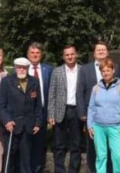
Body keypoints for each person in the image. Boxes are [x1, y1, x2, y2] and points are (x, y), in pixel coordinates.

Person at [78, 40, 120, 173]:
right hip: (92, 114)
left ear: (107, 52)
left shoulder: (116, 68)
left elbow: (119, 90)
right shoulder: (85, 69)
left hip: (111, 115)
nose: (101, 52)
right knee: (92, 146)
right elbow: (80, 91)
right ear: (94, 53)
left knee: (109, 147)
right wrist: (82, 113)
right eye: (98, 50)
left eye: (103, 50)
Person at [0, 57, 43, 173]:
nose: (21, 70)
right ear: (15, 68)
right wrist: (7, 120)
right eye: (19, 67)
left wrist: (38, 122)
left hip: (28, 126)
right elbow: (1, 106)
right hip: (11, 126)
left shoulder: (34, 82)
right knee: (10, 157)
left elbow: (38, 105)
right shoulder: (6, 81)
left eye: (24, 68)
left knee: (26, 158)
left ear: (28, 68)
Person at [87, 58, 120, 173]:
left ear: (113, 70)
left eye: (108, 70)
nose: (106, 73)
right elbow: (91, 108)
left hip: (115, 127)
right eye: (103, 71)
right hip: (98, 127)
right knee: (101, 156)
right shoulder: (95, 88)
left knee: (118, 156)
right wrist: (90, 125)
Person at [48, 45, 83, 173]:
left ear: (76, 55)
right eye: (67, 55)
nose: (70, 57)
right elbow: (52, 94)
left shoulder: (82, 70)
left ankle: (73, 170)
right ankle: (59, 170)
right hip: (59, 112)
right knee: (59, 145)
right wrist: (50, 114)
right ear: (63, 57)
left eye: (72, 54)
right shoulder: (57, 71)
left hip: (77, 111)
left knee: (76, 145)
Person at [26, 43, 53, 173]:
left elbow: (51, 93)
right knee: (25, 145)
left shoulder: (48, 70)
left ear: (41, 55)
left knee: (39, 145)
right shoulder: (21, 69)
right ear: (28, 55)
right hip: (25, 114)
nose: (35, 55)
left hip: (41, 113)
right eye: (32, 53)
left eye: (37, 53)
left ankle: (37, 169)